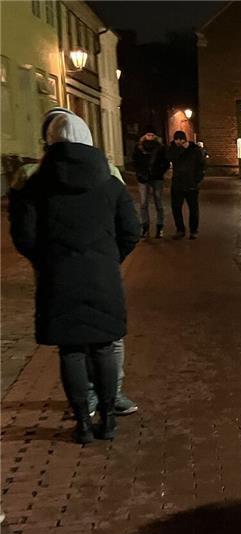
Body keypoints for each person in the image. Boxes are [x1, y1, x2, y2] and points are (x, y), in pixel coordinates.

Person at [8, 109, 140, 444]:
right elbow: (131, 230)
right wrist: (110, 258)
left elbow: (23, 236)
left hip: (57, 278)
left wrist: (48, 261)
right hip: (102, 277)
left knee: (71, 351)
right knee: (106, 347)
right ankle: (109, 419)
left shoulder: (34, 184)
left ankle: (83, 423)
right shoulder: (110, 181)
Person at [166, 130, 205, 239]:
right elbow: (171, 157)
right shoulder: (173, 149)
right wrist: (182, 149)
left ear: (185, 139)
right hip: (177, 183)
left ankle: (193, 230)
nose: (179, 141)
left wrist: (197, 179)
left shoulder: (194, 150)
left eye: (181, 139)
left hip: (191, 183)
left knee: (193, 208)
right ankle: (180, 229)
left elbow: (201, 165)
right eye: (177, 139)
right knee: (176, 207)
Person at [132, 131, 169, 238]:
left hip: (156, 178)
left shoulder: (160, 148)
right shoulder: (139, 147)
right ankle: (145, 227)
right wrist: (139, 172)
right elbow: (135, 162)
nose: (150, 137)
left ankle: (159, 227)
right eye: (148, 135)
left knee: (158, 202)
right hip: (143, 178)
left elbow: (166, 162)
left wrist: (159, 171)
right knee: (143, 203)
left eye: (152, 135)